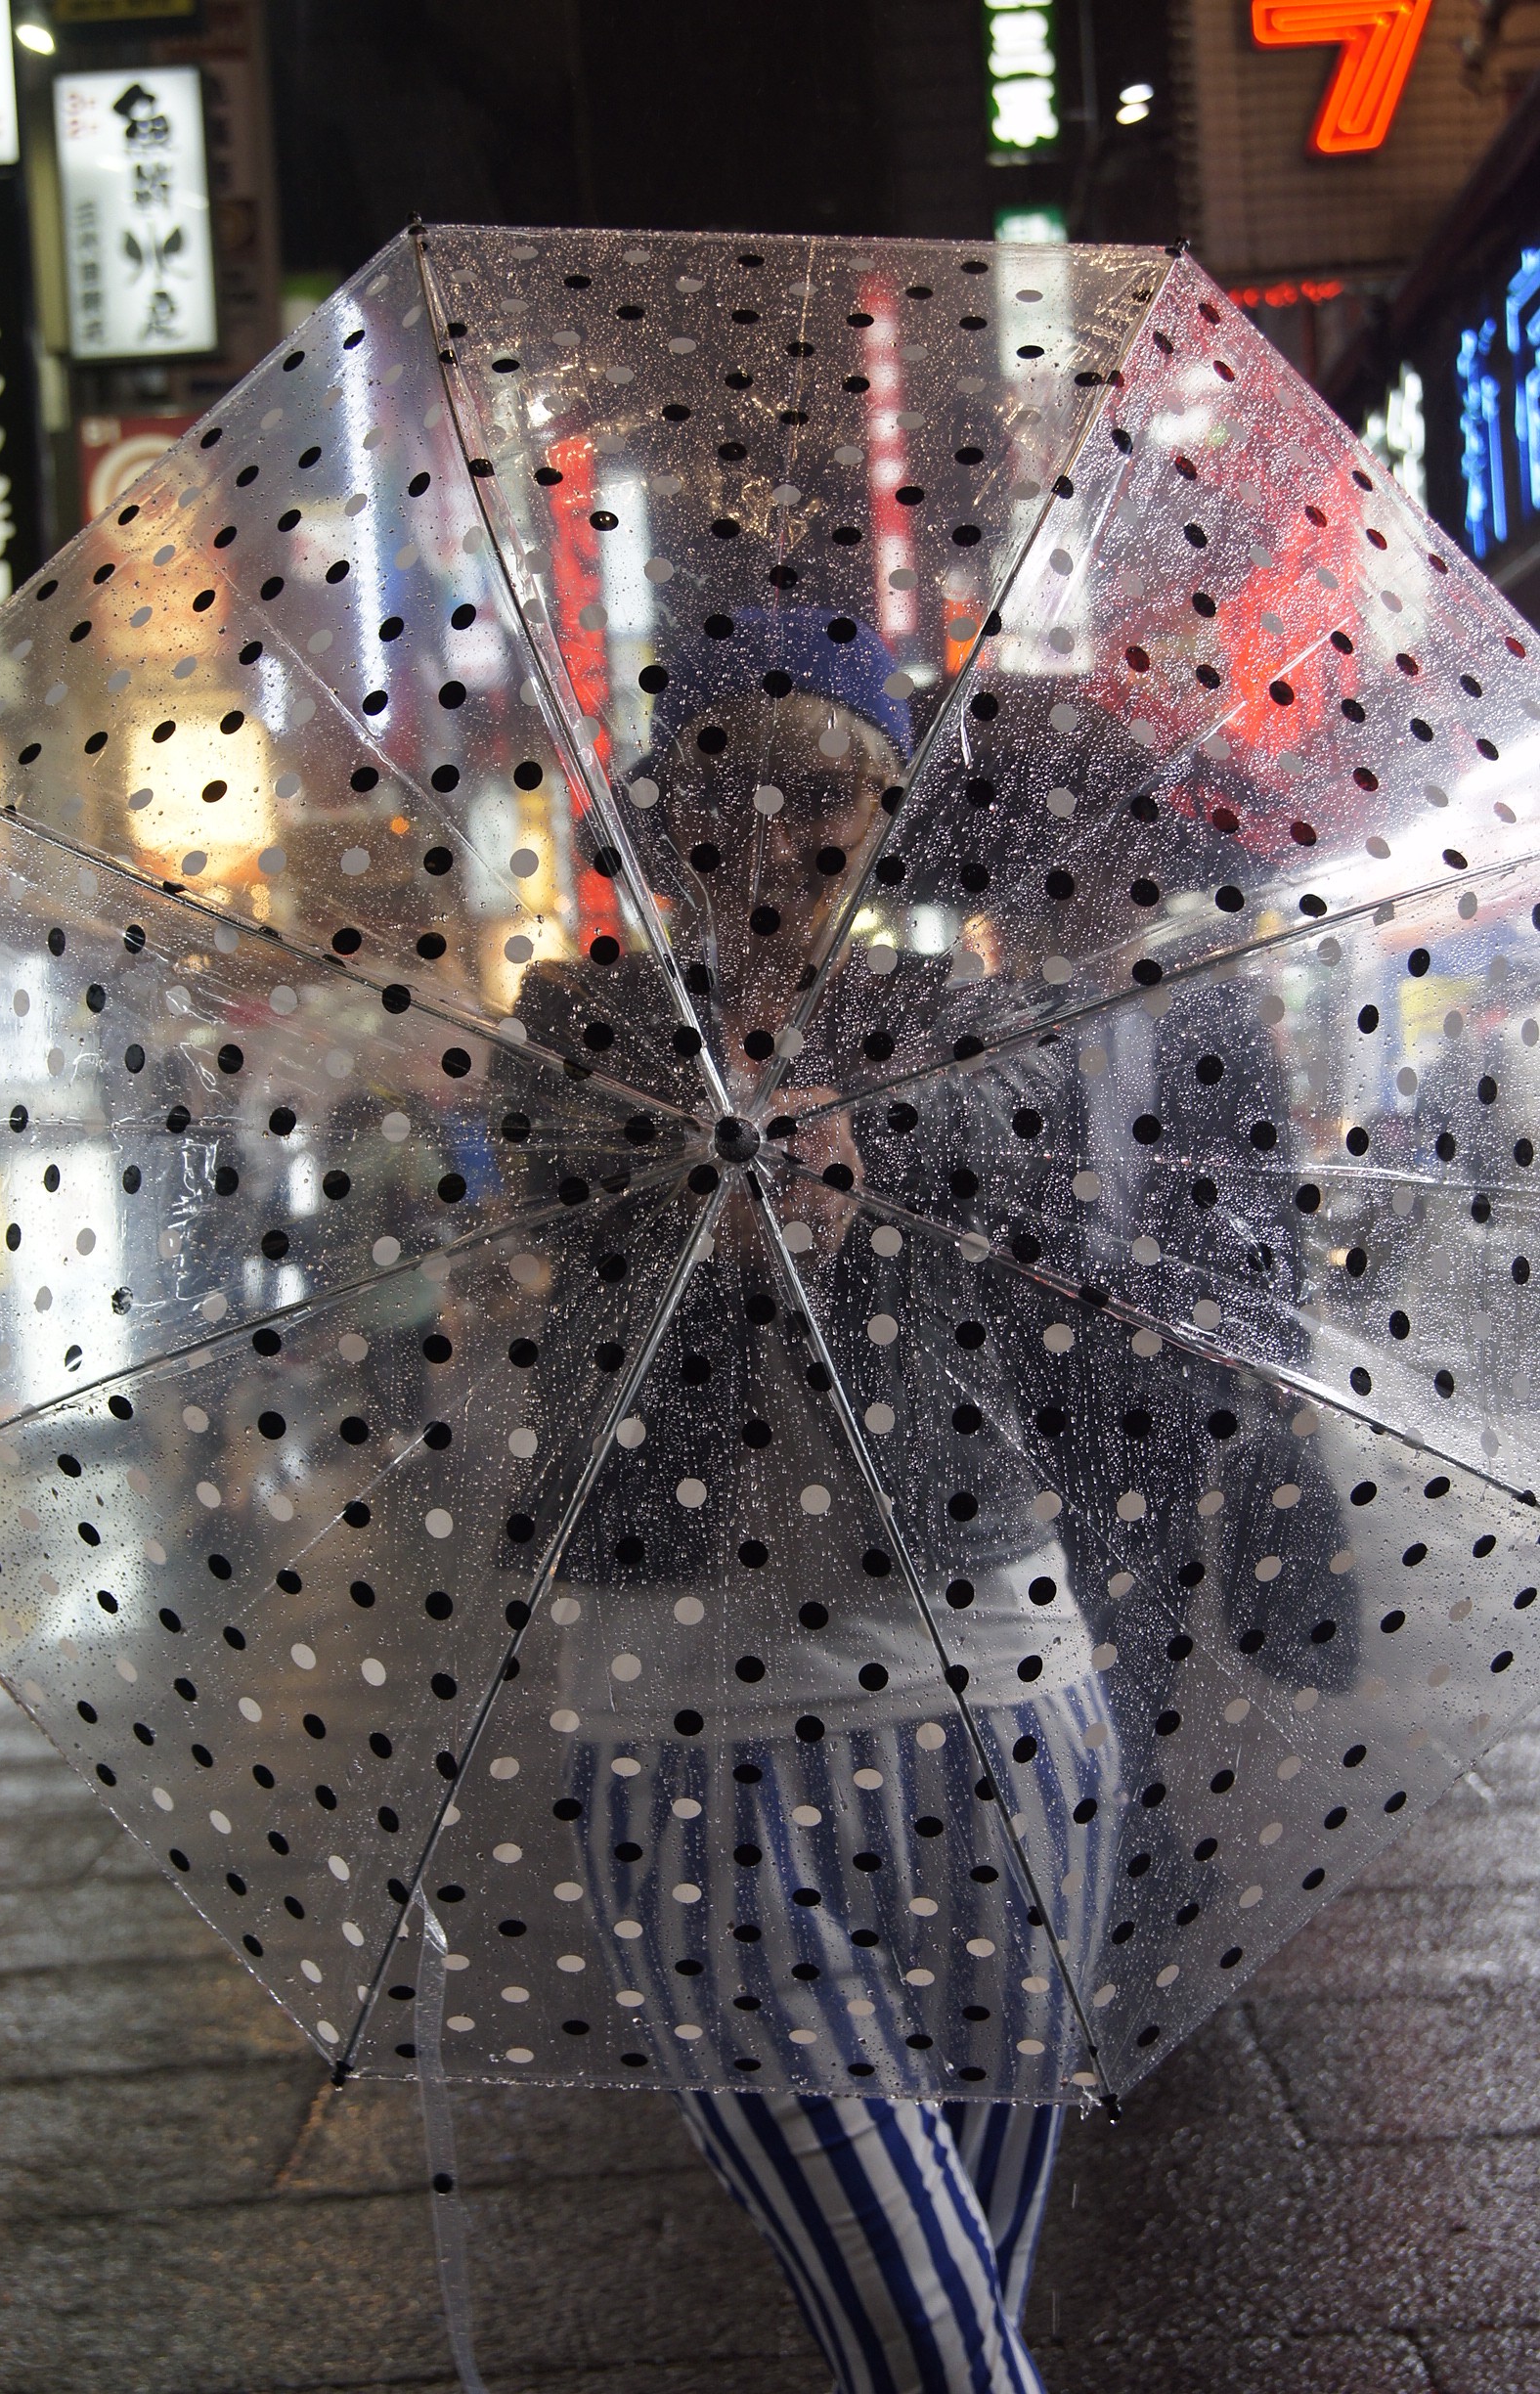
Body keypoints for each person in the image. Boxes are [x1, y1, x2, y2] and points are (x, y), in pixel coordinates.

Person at [509, 603, 1345, 2394]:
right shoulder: (584, 1037)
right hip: (686, 1737)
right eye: (723, 789)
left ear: (885, 818)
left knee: (957, 2317)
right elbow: (570, 1205)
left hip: (1004, 1708)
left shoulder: (966, 1034)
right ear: (660, 823)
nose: (773, 839)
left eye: (826, 795)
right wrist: (713, 1203)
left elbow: (1040, 1178)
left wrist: (867, 1153)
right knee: (934, 2342)